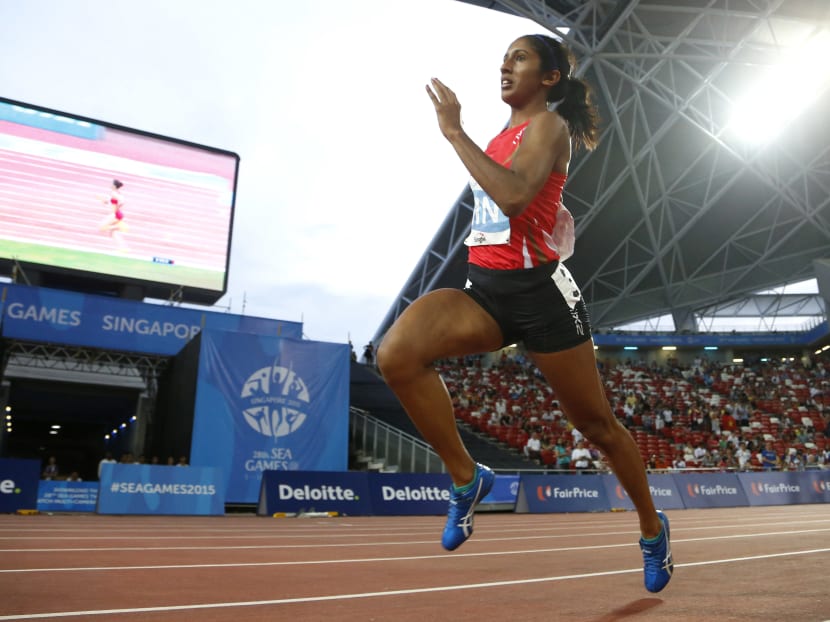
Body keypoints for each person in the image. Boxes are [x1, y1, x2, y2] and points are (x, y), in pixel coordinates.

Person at [377, 33, 672, 593]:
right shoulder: (499, 137)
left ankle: (652, 529)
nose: (505, 67)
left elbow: (513, 198)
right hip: (486, 292)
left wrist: (454, 132)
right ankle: (466, 477)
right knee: (396, 356)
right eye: (503, 59)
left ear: (549, 77)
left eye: (519, 58)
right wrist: (469, 141)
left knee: (597, 427)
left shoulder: (549, 127)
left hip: (542, 299)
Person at [98, 179, 128, 248]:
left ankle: (118, 226)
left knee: (101, 227)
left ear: (114, 186)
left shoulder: (113, 193)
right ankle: (123, 247)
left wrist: (118, 206)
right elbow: (112, 202)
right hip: (117, 214)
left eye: (112, 184)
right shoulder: (116, 193)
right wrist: (103, 201)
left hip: (115, 215)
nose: (110, 185)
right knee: (113, 233)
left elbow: (121, 200)